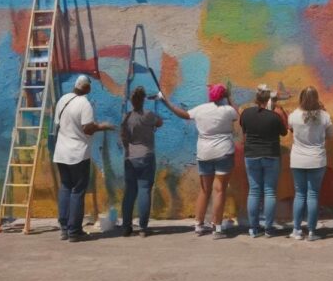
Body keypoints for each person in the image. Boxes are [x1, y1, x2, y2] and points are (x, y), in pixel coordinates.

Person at [159, 84, 238, 239]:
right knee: (219, 189)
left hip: (204, 153)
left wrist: (166, 102)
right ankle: (218, 228)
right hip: (223, 152)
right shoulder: (227, 110)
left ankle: (198, 224)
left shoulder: (201, 109)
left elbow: (184, 114)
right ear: (223, 96)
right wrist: (230, 98)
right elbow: (237, 114)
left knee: (204, 190)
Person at [53, 75, 115, 242]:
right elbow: (87, 129)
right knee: (77, 190)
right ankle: (74, 231)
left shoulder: (63, 100)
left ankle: (64, 228)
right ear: (86, 87)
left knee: (65, 186)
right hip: (78, 154)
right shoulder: (84, 104)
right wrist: (103, 126)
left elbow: (58, 123)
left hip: (61, 152)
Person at [288, 86, 333, 241]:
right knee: (313, 194)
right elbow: (331, 135)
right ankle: (312, 232)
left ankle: (296, 230)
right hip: (317, 159)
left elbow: (291, 131)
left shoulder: (294, 115)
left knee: (300, 194)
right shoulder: (324, 116)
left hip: (298, 159)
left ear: (301, 98)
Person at [240, 84, 288, 238]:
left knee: (254, 191)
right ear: (268, 99)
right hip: (270, 155)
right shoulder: (274, 117)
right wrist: (275, 109)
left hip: (251, 155)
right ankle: (268, 228)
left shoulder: (246, 113)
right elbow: (284, 132)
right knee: (269, 192)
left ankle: (253, 229)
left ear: (256, 98)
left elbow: (244, 129)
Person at [120, 86, 163, 238]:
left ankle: (126, 227)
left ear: (132, 101)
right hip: (146, 155)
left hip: (130, 157)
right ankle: (143, 228)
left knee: (130, 192)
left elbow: (123, 137)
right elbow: (160, 123)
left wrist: (127, 151)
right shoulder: (149, 115)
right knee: (144, 189)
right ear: (143, 99)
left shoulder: (126, 117)